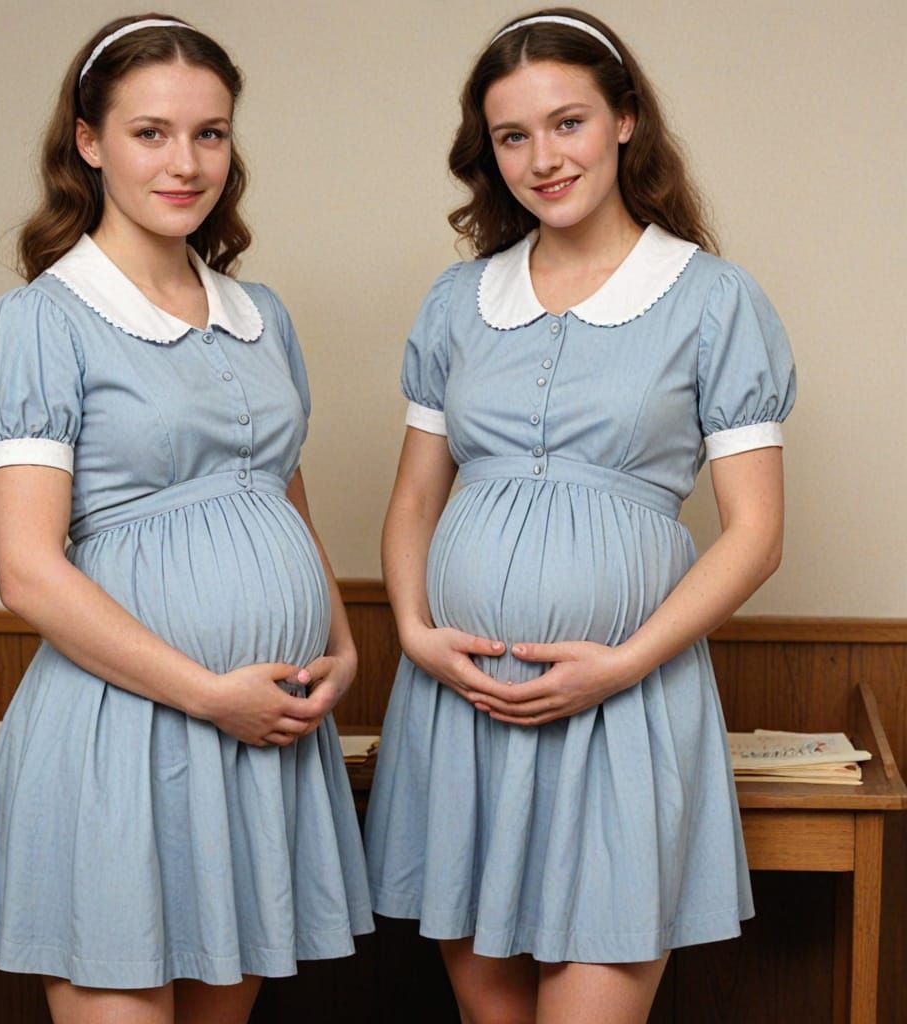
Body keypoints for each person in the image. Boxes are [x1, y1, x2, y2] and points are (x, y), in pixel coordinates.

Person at [364, 8, 794, 1023]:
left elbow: (756, 534)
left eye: (568, 123)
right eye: (513, 136)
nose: (543, 158)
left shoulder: (712, 300)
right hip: (463, 706)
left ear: (625, 120)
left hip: (620, 707)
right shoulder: (458, 301)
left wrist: (622, 664)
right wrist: (417, 635)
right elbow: (414, 498)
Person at [0, 15, 372, 1024]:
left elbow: (282, 495)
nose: (186, 164)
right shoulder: (40, 323)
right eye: (151, 133)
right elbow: (28, 572)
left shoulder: (261, 316)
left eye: (209, 133)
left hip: (259, 743)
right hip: (126, 736)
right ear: (88, 142)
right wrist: (210, 695)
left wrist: (344, 644)